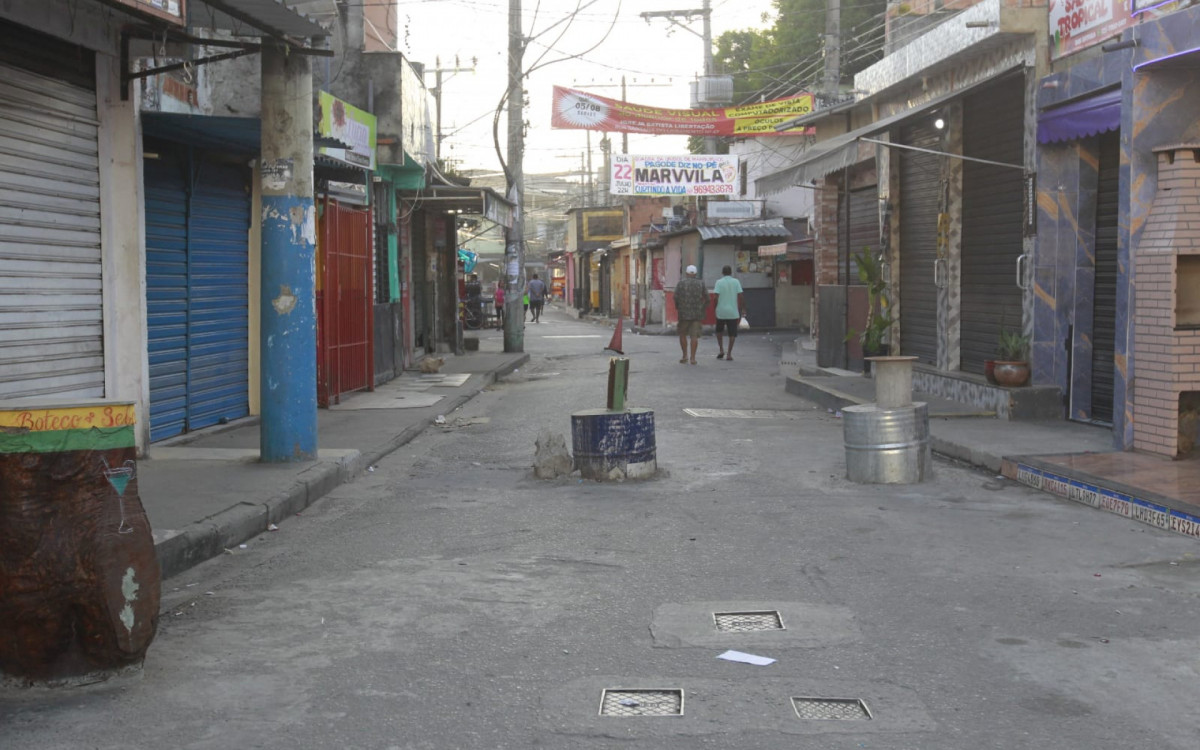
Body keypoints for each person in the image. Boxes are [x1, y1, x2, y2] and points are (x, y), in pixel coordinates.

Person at [673, 264, 709, 365]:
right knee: (694, 336)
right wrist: (702, 308)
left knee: (682, 334)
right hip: (697, 315)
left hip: (683, 314)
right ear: (696, 273)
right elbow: (707, 298)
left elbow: (675, 297)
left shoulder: (681, 283)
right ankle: (693, 358)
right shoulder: (701, 283)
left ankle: (685, 356)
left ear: (686, 273)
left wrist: (678, 307)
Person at [711, 265, 745, 361]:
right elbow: (741, 296)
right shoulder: (736, 282)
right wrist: (742, 308)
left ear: (722, 272)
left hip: (721, 311)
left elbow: (716, 297)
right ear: (731, 272)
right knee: (732, 334)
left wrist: (715, 307)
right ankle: (729, 354)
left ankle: (721, 349)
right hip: (733, 312)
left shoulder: (718, 282)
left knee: (719, 331)